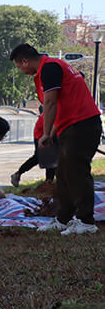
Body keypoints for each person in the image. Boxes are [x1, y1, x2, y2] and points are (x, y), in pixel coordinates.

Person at [11, 43, 102, 234]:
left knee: (77, 172)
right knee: (63, 174)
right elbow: (59, 106)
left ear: (25, 61)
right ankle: (63, 218)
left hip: (82, 125)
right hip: (71, 126)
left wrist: (44, 133)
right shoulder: (52, 66)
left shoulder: (50, 68)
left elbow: (51, 102)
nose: (20, 71)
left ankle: (86, 222)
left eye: (19, 66)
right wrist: (51, 134)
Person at [9, 107, 55, 187]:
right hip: (41, 135)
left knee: (52, 159)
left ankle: (49, 181)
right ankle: (18, 174)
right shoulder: (52, 112)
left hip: (49, 134)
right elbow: (55, 125)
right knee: (40, 158)